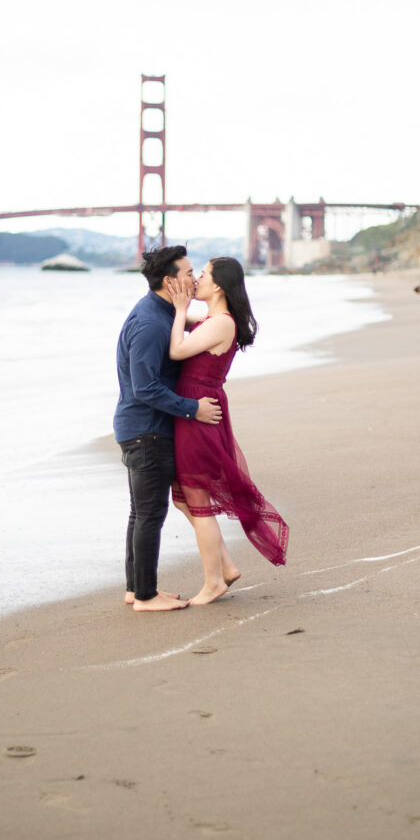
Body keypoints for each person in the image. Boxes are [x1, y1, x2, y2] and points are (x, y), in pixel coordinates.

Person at [168, 257, 289, 605]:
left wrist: (180, 310)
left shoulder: (221, 323)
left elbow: (177, 349)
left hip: (199, 411)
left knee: (197, 500)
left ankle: (213, 583)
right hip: (196, 406)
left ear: (218, 285)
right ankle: (227, 567)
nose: (198, 280)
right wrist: (176, 300)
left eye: (202, 275)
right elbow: (177, 315)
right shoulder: (211, 319)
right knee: (185, 499)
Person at [114, 246, 223, 612]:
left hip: (142, 428)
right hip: (147, 430)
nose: (194, 279)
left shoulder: (162, 314)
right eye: (189, 272)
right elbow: (144, 386)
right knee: (149, 514)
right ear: (169, 281)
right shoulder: (150, 322)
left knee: (140, 512)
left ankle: (136, 589)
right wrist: (192, 409)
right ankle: (146, 596)